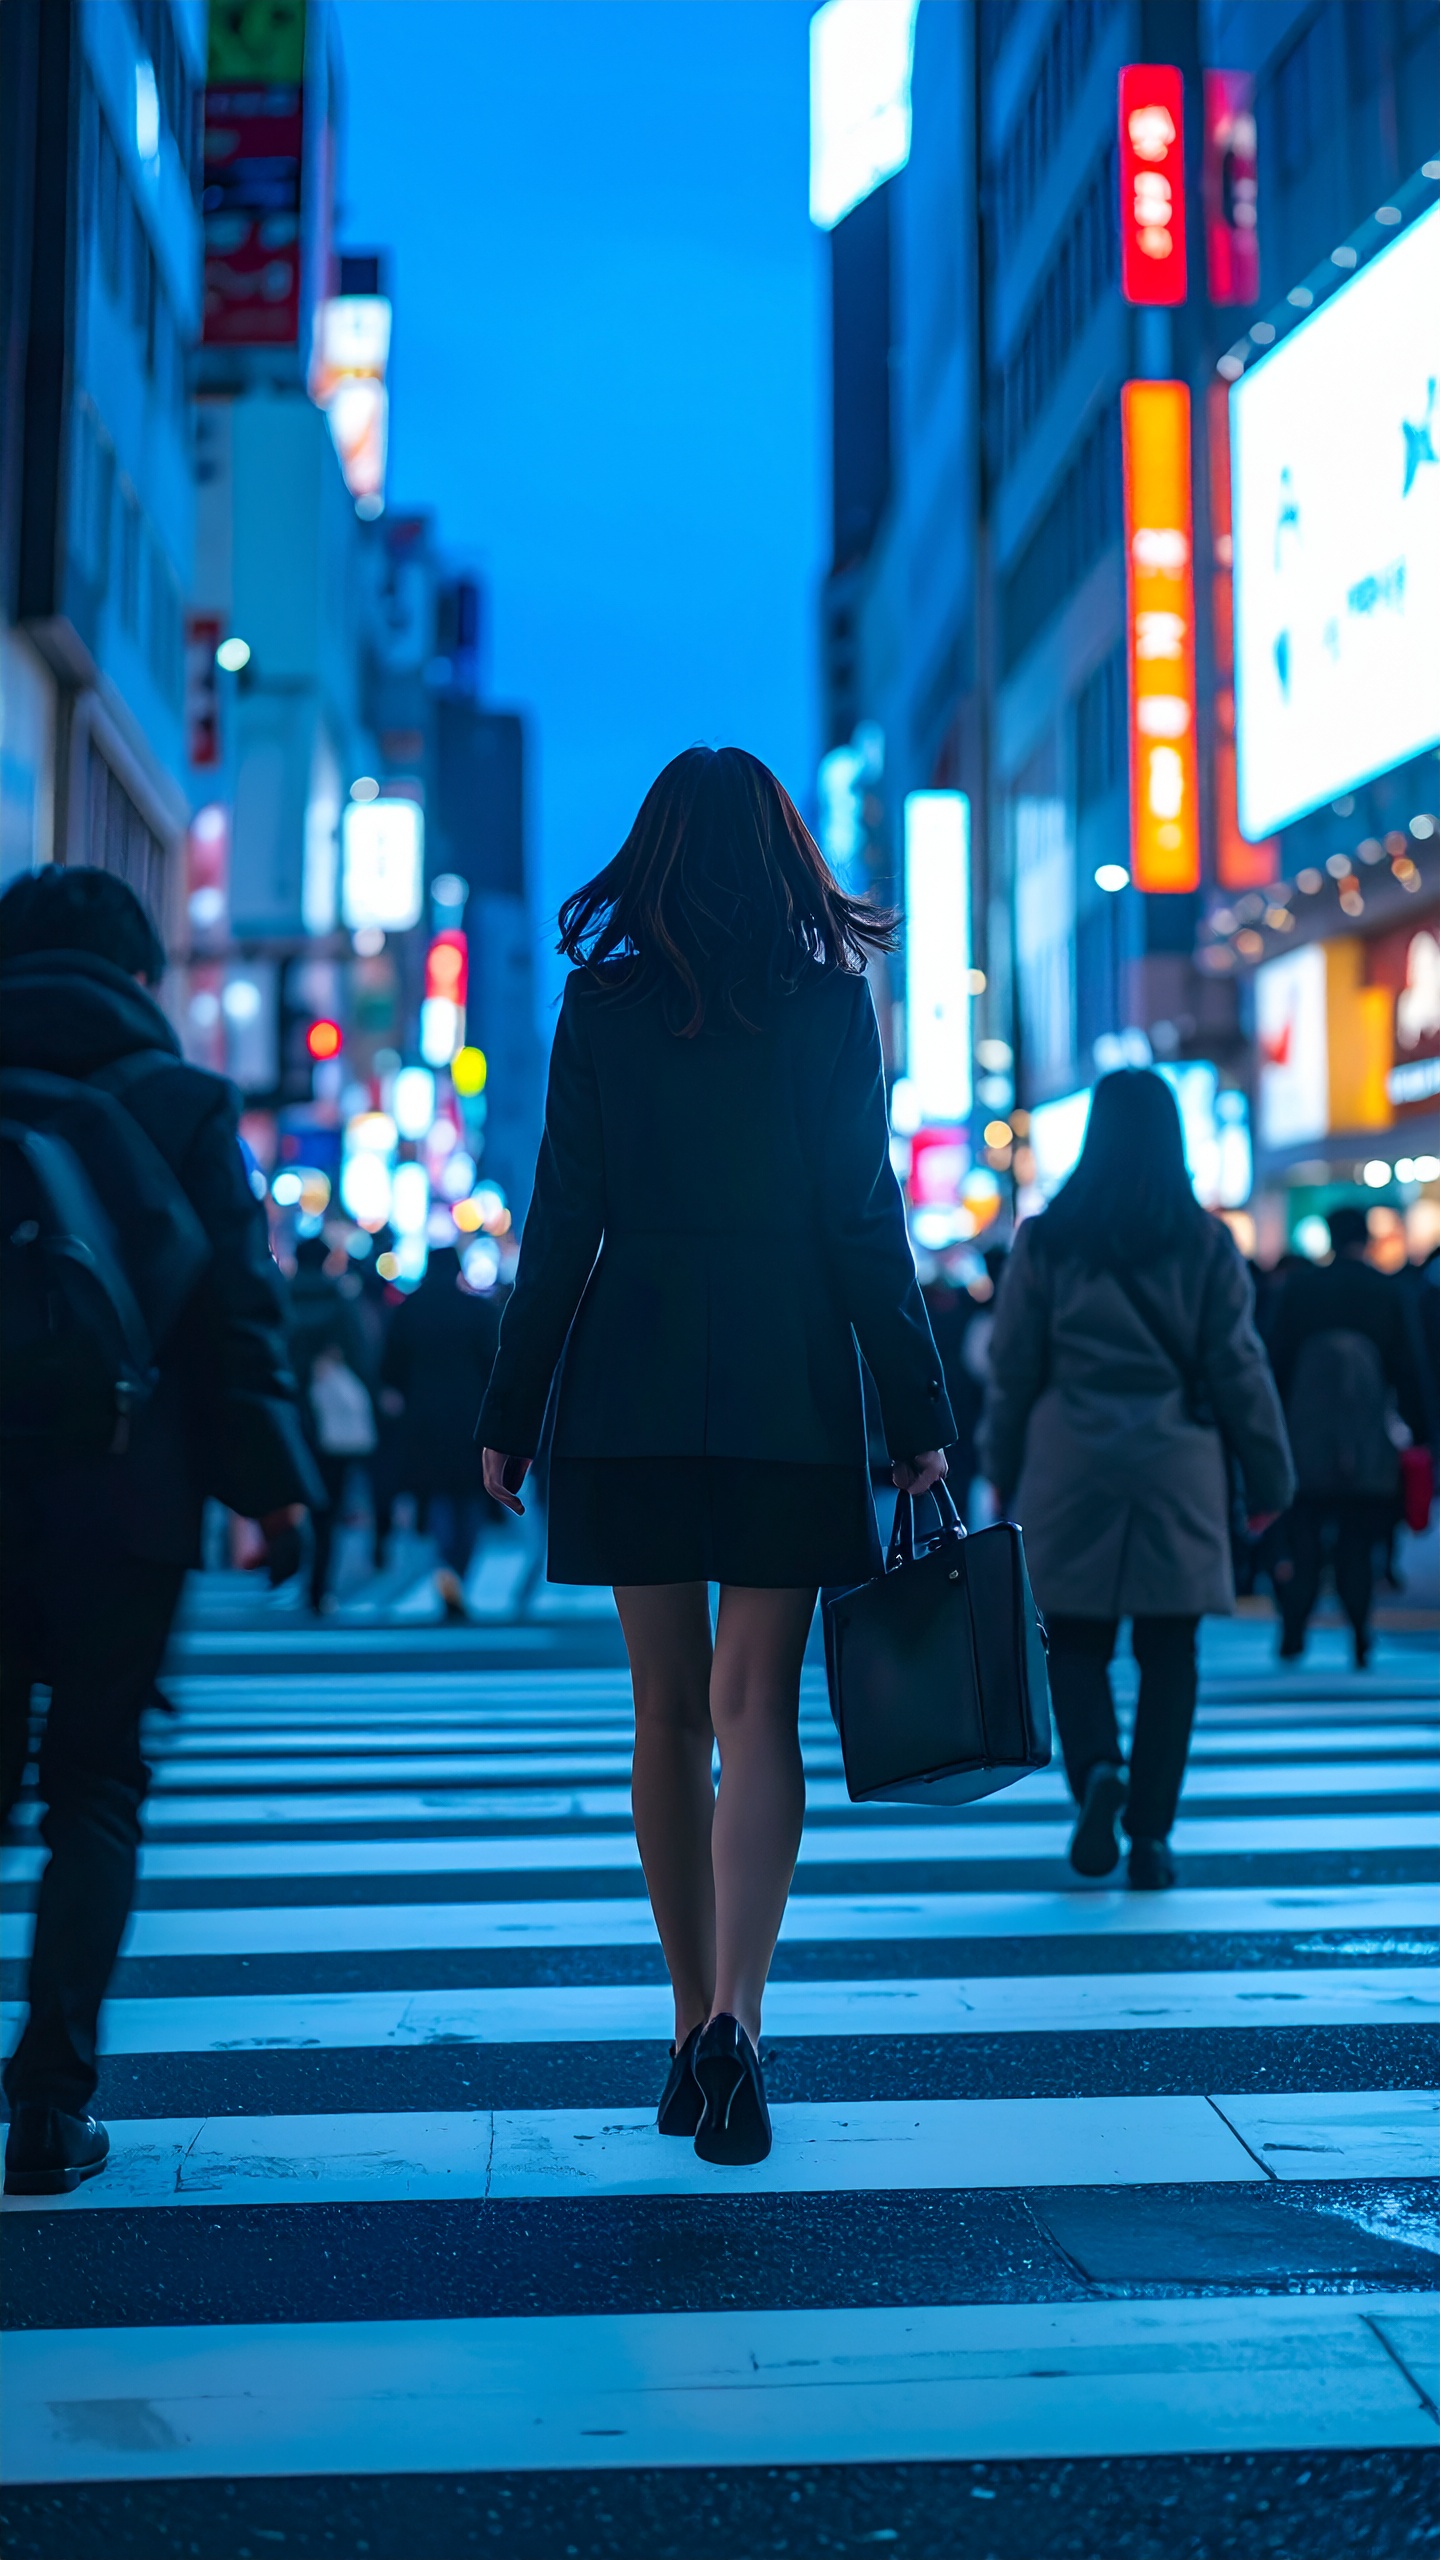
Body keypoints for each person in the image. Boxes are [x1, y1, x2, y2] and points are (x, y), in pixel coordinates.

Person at [477, 746, 953, 2164]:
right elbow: (868, 1219)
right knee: (761, 1709)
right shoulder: (826, 1009)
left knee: (664, 1715)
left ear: (655, 860)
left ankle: (688, 2024)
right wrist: (919, 1414)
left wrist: (511, 1408)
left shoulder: (600, 1008)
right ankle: (746, 2016)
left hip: (628, 1377)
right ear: (782, 858)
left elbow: (560, 1224)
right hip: (790, 1378)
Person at [0, 866, 320, 2194]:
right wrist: (272, 1484)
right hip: (124, 1492)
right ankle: (50, 2106)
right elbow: (235, 1315)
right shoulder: (184, 1104)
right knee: (95, 1779)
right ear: (142, 979)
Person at [979, 1070, 1293, 1892]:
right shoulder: (1204, 1242)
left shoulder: (1047, 1241)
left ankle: (1097, 1773)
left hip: (1067, 1456)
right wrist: (1269, 1476)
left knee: (1073, 1645)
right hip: (1175, 1462)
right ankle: (1152, 1838)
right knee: (1170, 1652)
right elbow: (1237, 1367)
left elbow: (1012, 1371)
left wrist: (1001, 1470)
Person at [1266, 1204, 1433, 1668]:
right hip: (1367, 1438)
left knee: (1303, 1537)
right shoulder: (1387, 1290)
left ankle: (1293, 1629)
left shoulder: (1301, 1289)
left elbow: (1274, 1362)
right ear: (1367, 1239)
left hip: (1304, 1435)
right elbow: (1411, 1369)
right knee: (1359, 1542)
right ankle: (1361, 1633)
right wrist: (1421, 1434)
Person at [382, 1242, 504, 1619]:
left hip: (423, 1418)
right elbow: (494, 1363)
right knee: (468, 1500)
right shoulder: (476, 1311)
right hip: (470, 1417)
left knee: (434, 1500)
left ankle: (445, 1570)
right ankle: (459, 1571)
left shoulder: (409, 1312)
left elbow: (390, 1368)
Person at [288, 1234, 377, 1613]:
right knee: (330, 1505)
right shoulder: (340, 1303)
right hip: (332, 1416)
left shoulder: (281, 1296)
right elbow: (360, 1357)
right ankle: (318, 1586)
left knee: (286, 1494)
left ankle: (283, 1567)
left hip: (289, 1411)